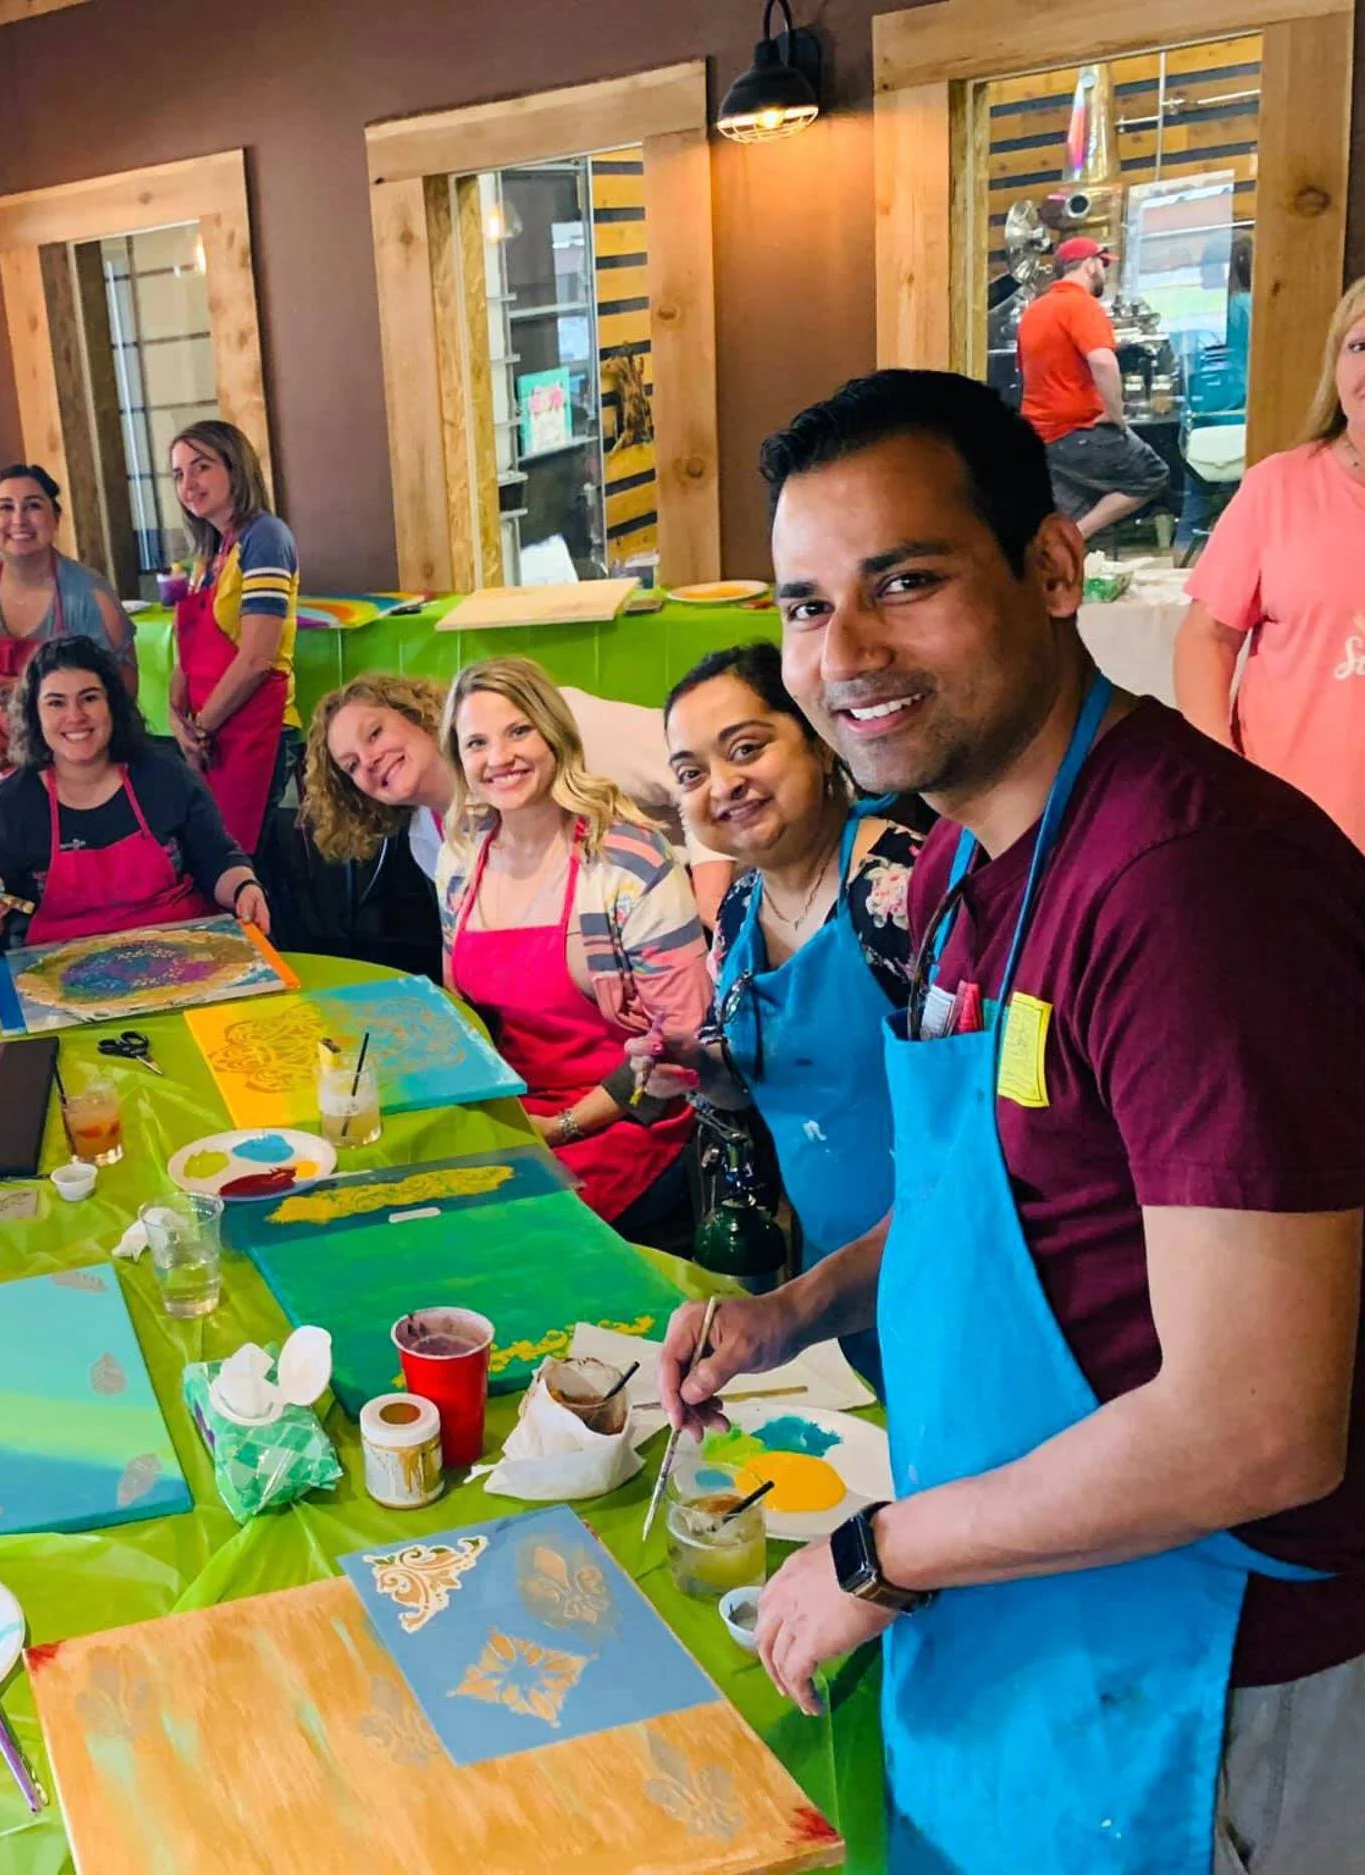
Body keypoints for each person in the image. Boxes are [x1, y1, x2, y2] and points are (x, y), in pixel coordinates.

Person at [657, 369, 1365, 1873]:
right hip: (1033, 1591)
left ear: (1051, 568)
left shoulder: (1192, 886)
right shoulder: (963, 868)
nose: (844, 654)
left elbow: (1257, 1425)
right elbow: (1007, 1203)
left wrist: (879, 1553)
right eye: (804, 606)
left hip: (1221, 1672)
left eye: (903, 582)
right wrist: (797, 1306)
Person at [645, 641, 927, 1386]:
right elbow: (752, 1085)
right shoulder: (739, 910)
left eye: (746, 748)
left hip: (943, 1270)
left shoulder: (901, 890)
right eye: (691, 773)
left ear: (819, 738)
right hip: (829, 1283)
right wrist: (699, 1068)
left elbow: (984, 1136)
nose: (722, 784)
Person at [437, 659, 710, 1246]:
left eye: (519, 731)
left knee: (514, 1245)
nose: (499, 757)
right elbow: (461, 1015)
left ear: (554, 734)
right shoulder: (460, 860)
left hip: (628, 1118)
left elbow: (682, 1043)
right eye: (476, 742)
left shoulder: (628, 862)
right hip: (515, 1110)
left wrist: (559, 1127)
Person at [1176, 275, 1365, 849]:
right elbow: (1206, 639)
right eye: (1360, 345)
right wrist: (1220, 772)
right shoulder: (1278, 488)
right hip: (1291, 839)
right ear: (1336, 365)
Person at [309, 672, 737, 918]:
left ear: (415, 714)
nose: (369, 760)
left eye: (375, 733)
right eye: (351, 765)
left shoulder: (557, 724)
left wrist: (710, 907)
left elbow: (701, 770)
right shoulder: (429, 843)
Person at [0, 637, 268, 952]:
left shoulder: (165, 775)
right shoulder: (5, 808)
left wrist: (244, 887)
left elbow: (217, 858)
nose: (75, 716)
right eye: (56, 703)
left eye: (89, 698)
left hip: (186, 955)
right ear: (34, 714)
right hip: (62, 972)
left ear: (112, 705)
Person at [0, 464, 135, 772]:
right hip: (9, 758)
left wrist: (35, 692)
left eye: (33, 505)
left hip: (82, 753)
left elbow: (124, 689)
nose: (19, 519)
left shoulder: (91, 595)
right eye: (5, 507)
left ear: (55, 518)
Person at [168, 420, 296, 855]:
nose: (188, 484)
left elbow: (257, 659)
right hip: (213, 730)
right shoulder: (209, 553)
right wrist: (177, 718)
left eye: (201, 467)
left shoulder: (266, 538)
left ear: (236, 468)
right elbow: (188, 656)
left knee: (248, 862)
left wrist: (201, 727)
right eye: (178, 474)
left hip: (258, 725)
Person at [1017, 238, 1171, 540]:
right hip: (1079, 429)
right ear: (1089, 264)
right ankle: (1077, 535)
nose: (1104, 271)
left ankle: (1062, 550)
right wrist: (1116, 414)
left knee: (1063, 515)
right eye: (1102, 264)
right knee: (1151, 474)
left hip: (1041, 435)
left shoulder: (1034, 311)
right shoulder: (1081, 304)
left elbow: (1029, 372)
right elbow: (1102, 361)